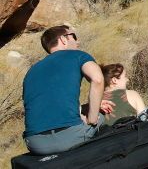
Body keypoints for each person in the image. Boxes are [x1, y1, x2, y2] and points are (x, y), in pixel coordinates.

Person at [22, 25, 106, 155]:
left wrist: (85, 108)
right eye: (74, 36)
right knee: (102, 112)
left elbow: (50, 105)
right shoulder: (78, 56)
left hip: (35, 143)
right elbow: (98, 80)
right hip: (69, 137)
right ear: (63, 40)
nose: (77, 42)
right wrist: (92, 118)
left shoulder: (31, 71)